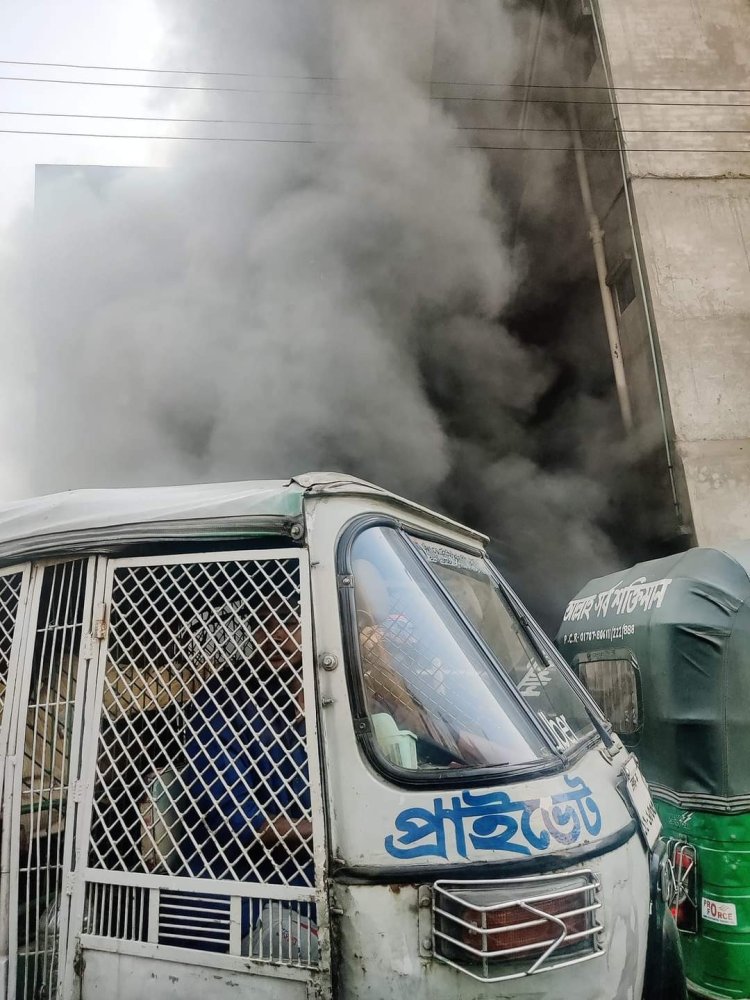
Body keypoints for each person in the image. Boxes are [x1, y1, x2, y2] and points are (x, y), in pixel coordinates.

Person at [174, 602, 318, 962]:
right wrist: (330, 832)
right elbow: (241, 821)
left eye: (289, 620)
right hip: (227, 897)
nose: (276, 634)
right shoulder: (222, 704)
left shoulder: (328, 701)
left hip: (305, 889)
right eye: (264, 620)